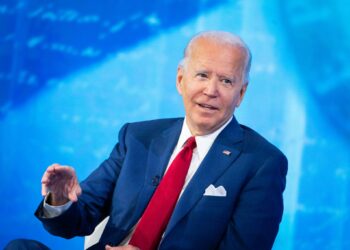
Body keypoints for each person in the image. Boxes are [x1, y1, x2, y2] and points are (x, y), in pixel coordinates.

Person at [6, 31, 288, 250]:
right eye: (202, 75)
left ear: (241, 93)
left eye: (226, 81)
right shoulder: (138, 137)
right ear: (181, 80)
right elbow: (77, 221)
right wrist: (59, 200)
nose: (211, 90)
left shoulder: (261, 163)